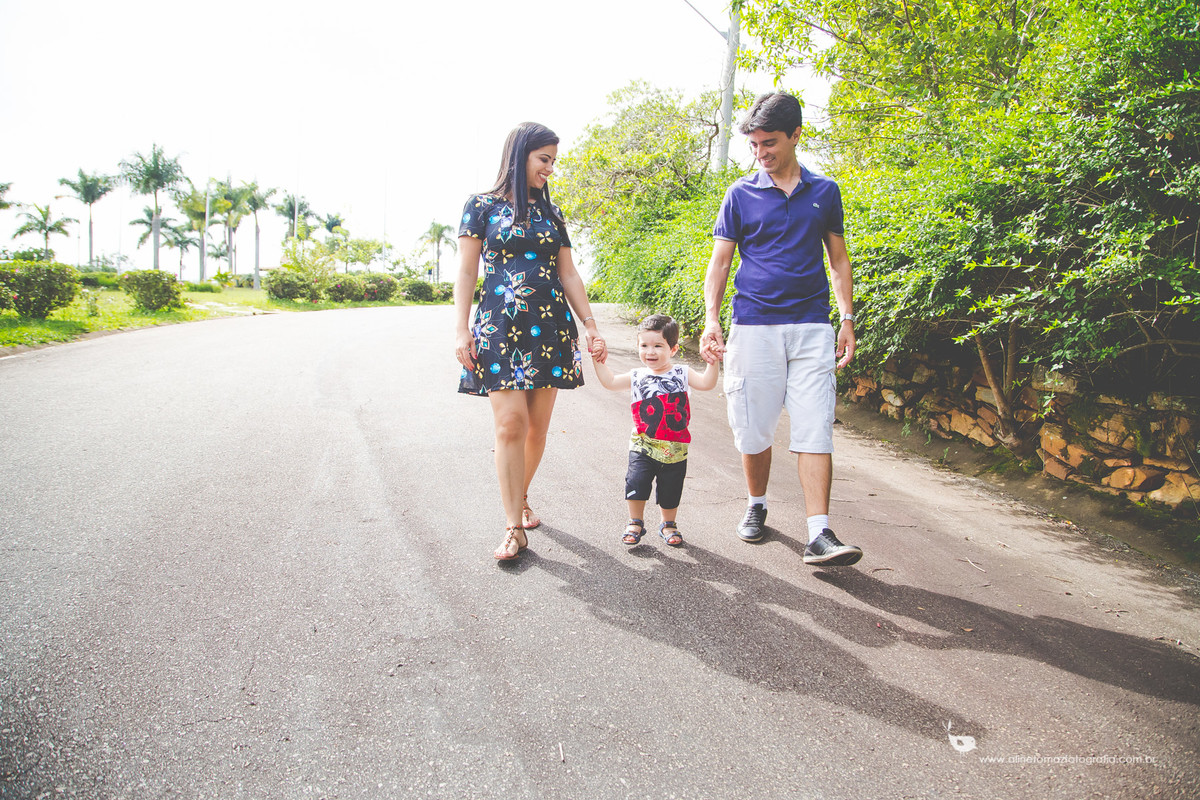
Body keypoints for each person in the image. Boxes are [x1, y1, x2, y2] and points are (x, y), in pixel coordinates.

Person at [699, 91, 863, 566]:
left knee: (815, 429)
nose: (760, 152)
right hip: (753, 328)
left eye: (769, 143)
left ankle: (820, 533)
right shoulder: (740, 194)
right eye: (753, 145)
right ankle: (757, 504)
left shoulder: (825, 192)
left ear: (795, 135)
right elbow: (721, 260)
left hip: (812, 327)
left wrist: (847, 317)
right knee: (752, 429)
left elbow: (838, 259)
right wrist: (712, 317)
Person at [454, 121, 608, 561]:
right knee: (510, 425)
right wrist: (461, 328)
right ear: (520, 156)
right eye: (545, 160)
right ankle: (512, 527)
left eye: (553, 161)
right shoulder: (481, 206)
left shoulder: (552, 213)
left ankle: (519, 495)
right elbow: (467, 271)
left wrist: (591, 324)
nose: (550, 170)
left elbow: (569, 273)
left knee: (537, 428)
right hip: (499, 326)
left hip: (550, 327)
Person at [592, 314, 718, 547]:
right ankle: (635, 521)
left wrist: (713, 362)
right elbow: (609, 382)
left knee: (671, 489)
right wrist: (598, 361)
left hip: (675, 447)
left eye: (658, 346)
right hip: (642, 444)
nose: (650, 351)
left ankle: (668, 524)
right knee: (636, 482)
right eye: (644, 345)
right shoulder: (637, 375)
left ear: (673, 349)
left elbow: (707, 384)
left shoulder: (682, 373)